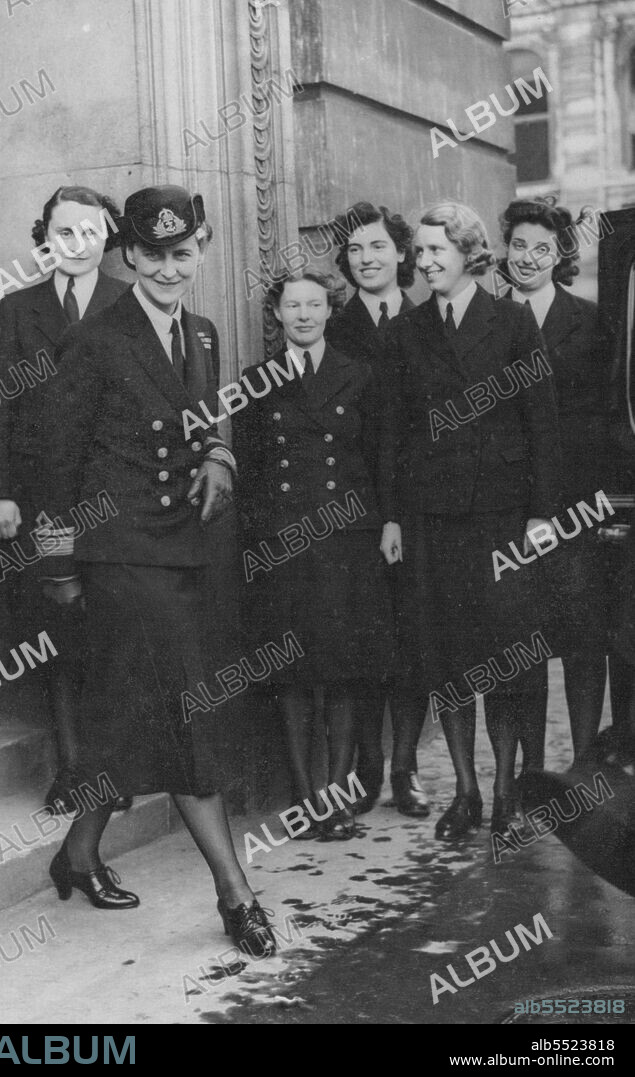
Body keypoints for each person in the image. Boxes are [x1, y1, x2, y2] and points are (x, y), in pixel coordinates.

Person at [39, 185, 275, 956]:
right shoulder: (97, 340)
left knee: (139, 712)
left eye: (184, 253)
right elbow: (56, 464)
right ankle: (234, 894)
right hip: (124, 556)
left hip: (190, 551)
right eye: (153, 254)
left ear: (199, 250)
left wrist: (221, 451)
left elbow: (209, 412)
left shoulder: (201, 334)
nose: (171, 267)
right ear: (129, 255)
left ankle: (76, 852)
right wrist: (61, 567)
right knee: (186, 711)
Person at [379, 201, 561, 841]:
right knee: (446, 658)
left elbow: (542, 422)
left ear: (468, 254)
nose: (424, 262)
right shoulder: (407, 331)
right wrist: (394, 519)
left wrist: (542, 514)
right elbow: (395, 435)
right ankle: (466, 793)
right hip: (432, 519)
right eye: (421, 252)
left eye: (437, 252)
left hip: (502, 517)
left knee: (507, 658)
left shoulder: (511, 323)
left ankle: (510, 796)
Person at [0, 185, 130, 815]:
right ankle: (73, 768)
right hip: (46, 499)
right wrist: (0, 493)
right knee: (57, 632)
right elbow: (0, 406)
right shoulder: (20, 308)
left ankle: (113, 770)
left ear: (108, 236)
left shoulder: (131, 300)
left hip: (116, 497)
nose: (76, 244)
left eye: (89, 231)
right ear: (45, 237)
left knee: (115, 633)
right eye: (63, 232)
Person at [234, 271, 394, 840]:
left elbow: (381, 458)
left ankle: (339, 798)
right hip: (283, 546)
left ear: (331, 310)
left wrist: (388, 523)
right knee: (295, 676)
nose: (303, 315)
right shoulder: (255, 383)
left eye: (315, 305)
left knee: (346, 674)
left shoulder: (361, 376)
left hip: (348, 541)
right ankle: (307, 803)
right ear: (276, 313)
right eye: (292, 305)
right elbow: (250, 478)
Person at [497, 198, 613, 769]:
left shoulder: (591, 321)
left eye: (542, 248)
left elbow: (602, 418)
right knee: (522, 646)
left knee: (583, 638)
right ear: (505, 248)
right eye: (519, 245)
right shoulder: (486, 320)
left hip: (573, 509)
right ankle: (531, 772)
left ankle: (585, 768)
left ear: (560, 254)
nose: (528, 258)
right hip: (505, 510)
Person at [327, 202, 428, 819]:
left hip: (417, 508)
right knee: (363, 638)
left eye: (378, 248)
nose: (367, 259)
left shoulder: (428, 324)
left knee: (414, 638)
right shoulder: (331, 328)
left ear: (401, 254)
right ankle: (364, 767)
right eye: (356, 251)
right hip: (356, 507)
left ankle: (405, 767)